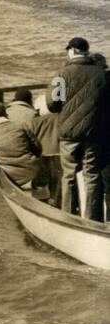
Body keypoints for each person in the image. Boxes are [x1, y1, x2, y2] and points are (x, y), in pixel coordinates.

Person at [47, 37, 108, 222]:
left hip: (69, 134)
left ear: (72, 51)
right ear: (86, 51)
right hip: (93, 133)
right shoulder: (101, 74)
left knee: (69, 175)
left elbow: (52, 104)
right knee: (92, 176)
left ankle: (69, 217)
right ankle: (93, 220)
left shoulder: (62, 75)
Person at [6, 87, 62, 205]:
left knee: (40, 181)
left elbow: (32, 141)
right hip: (57, 154)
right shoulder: (55, 118)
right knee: (56, 180)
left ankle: (41, 202)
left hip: (37, 155)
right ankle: (55, 202)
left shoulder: (33, 121)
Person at [0, 103, 42, 189]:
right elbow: (38, 149)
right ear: (6, 114)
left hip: (11, 180)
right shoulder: (21, 126)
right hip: (34, 173)